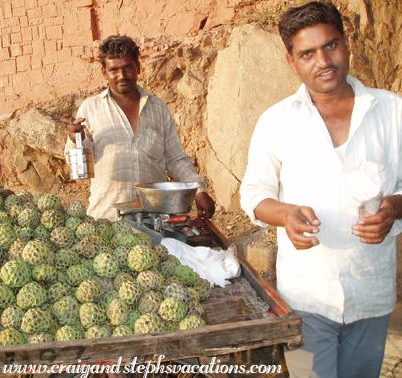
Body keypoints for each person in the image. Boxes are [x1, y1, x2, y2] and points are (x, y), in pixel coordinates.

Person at [240, 2, 402, 378]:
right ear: (291, 61)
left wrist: (393, 208)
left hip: (371, 297)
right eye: (307, 53)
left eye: (331, 45)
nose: (323, 60)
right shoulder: (277, 121)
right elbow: (253, 193)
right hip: (304, 301)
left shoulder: (393, 113)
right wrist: (284, 214)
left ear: (346, 44)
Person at [65, 35, 215, 221]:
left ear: (138, 67)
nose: (122, 75)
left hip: (155, 220)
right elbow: (78, 166)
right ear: (104, 73)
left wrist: (199, 190)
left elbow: (176, 160)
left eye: (128, 67)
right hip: (107, 220)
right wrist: (75, 140)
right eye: (114, 70)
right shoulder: (90, 109)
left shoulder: (158, 109)